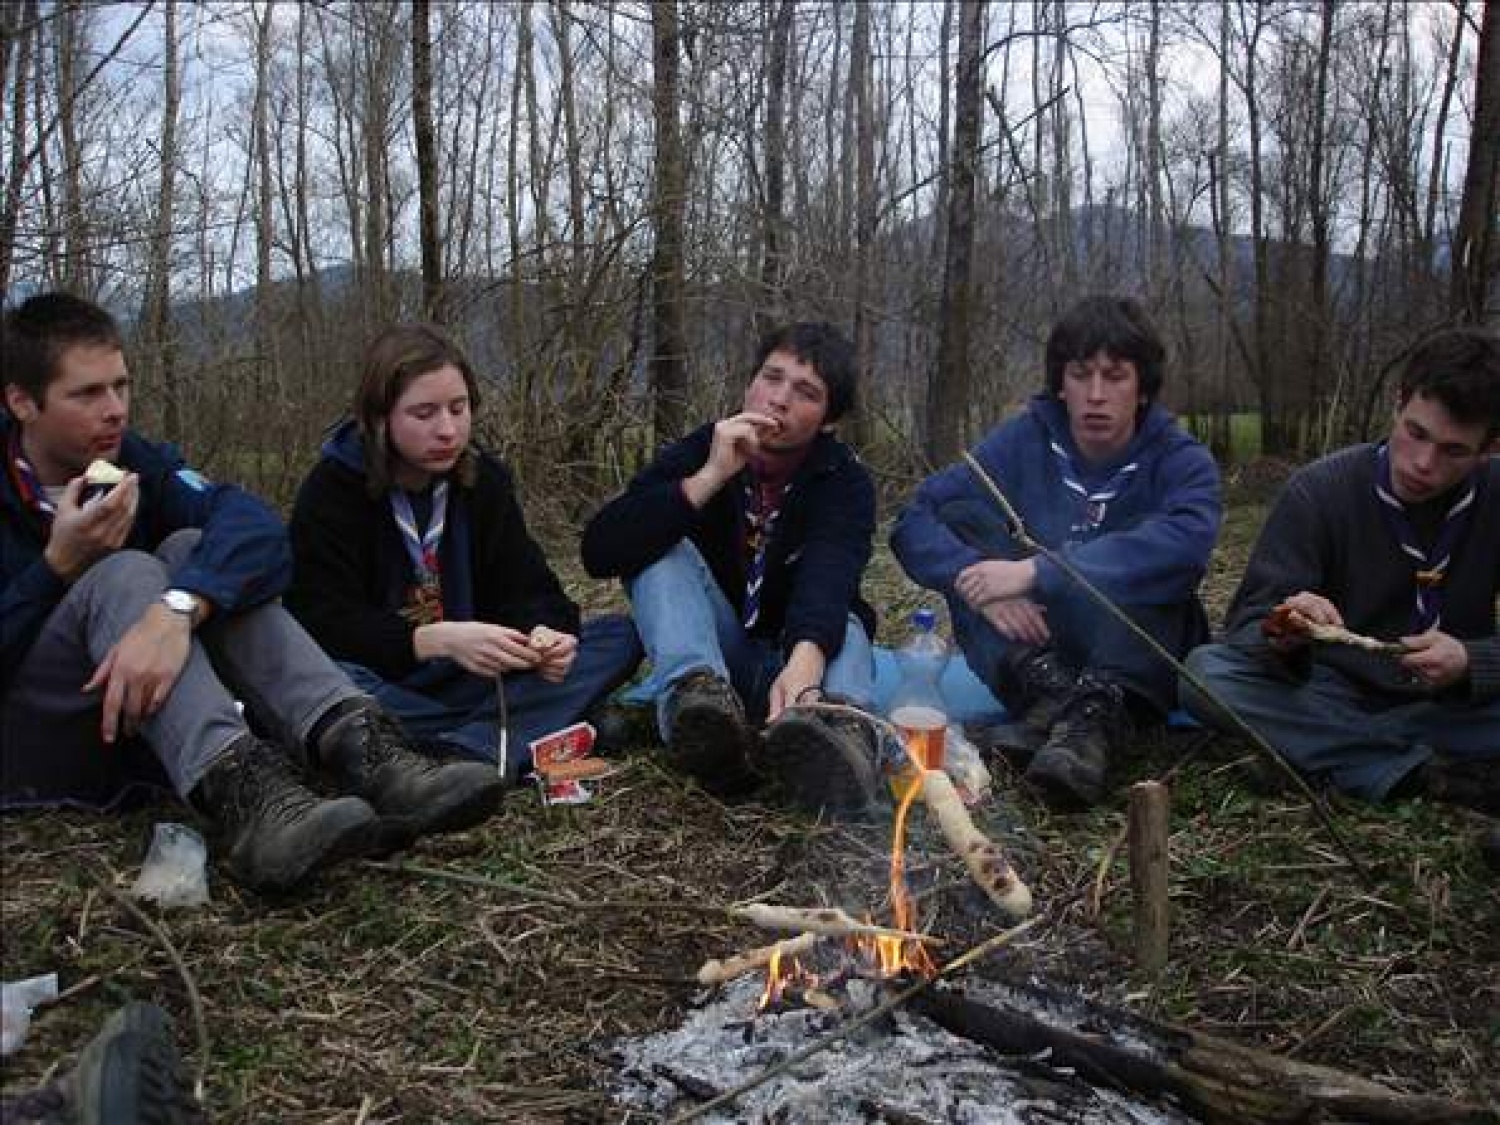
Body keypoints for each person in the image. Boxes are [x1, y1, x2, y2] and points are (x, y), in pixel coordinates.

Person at [1, 293, 502, 894]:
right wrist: (57, 567)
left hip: (134, 732)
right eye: (87, 394)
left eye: (121, 386)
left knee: (192, 549)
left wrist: (177, 611)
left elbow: (256, 528)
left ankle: (361, 747)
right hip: (34, 741)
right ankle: (241, 789)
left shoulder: (134, 462)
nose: (115, 411)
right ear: (22, 402)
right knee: (126, 571)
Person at [891, 295, 1221, 809]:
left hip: (1132, 649)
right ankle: (1048, 698)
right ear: (1060, 384)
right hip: (1038, 646)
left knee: (1147, 565)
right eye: (1080, 374)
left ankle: (1092, 723)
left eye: (1114, 376)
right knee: (962, 518)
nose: (1095, 395)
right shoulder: (1025, 440)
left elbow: (1184, 548)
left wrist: (1039, 571)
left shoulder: (1180, 459)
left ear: (1141, 389)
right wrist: (975, 579)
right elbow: (917, 517)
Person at [285, 324, 641, 783]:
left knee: (618, 637)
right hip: (384, 679)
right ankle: (525, 734)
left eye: (459, 408)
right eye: (424, 413)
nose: (448, 430)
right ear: (379, 418)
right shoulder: (332, 490)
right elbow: (320, 620)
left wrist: (545, 635)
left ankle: (466, 748)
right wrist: (428, 640)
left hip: (481, 678)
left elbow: (529, 587)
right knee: (322, 688)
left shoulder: (484, 481)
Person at [1182, 327, 1500, 824]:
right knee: (1206, 675)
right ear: (1397, 404)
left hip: (1452, 705)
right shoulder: (1319, 491)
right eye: (1416, 433)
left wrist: (1473, 660)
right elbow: (1245, 629)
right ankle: (1418, 772)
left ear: (1489, 448)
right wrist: (1286, 628)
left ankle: (1322, 754)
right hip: (1333, 693)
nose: (1423, 464)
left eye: (1454, 451)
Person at [580, 322, 881, 815]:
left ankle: (842, 737)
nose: (778, 399)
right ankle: (698, 706)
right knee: (660, 548)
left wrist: (805, 663)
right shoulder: (703, 450)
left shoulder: (843, 479)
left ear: (828, 419)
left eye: (805, 392)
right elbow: (600, 550)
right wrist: (711, 476)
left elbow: (831, 571)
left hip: (798, 663)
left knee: (844, 623)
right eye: (771, 377)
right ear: (750, 383)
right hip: (717, 653)